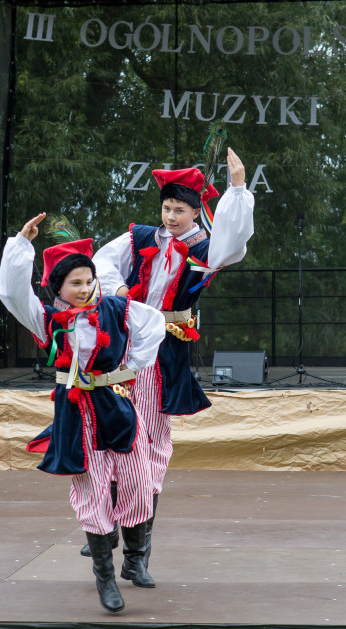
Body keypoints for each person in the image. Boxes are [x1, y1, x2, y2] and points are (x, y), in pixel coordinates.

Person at [0, 213, 166, 613]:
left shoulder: (115, 309)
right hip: (76, 411)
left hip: (116, 404)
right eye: (76, 283)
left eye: (89, 281)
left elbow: (152, 323)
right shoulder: (48, 321)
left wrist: (132, 366)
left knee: (140, 484)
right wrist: (21, 244)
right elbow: (11, 292)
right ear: (59, 288)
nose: (86, 288)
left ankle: (135, 559)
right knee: (92, 493)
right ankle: (105, 578)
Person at [92, 148, 254, 566]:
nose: (170, 217)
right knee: (116, 430)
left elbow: (234, 244)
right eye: (166, 208)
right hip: (127, 343)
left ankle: (138, 546)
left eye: (179, 210)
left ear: (195, 211)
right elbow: (102, 261)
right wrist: (120, 292)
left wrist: (237, 191)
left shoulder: (205, 246)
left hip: (166, 349)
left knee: (152, 440)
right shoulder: (141, 237)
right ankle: (107, 527)